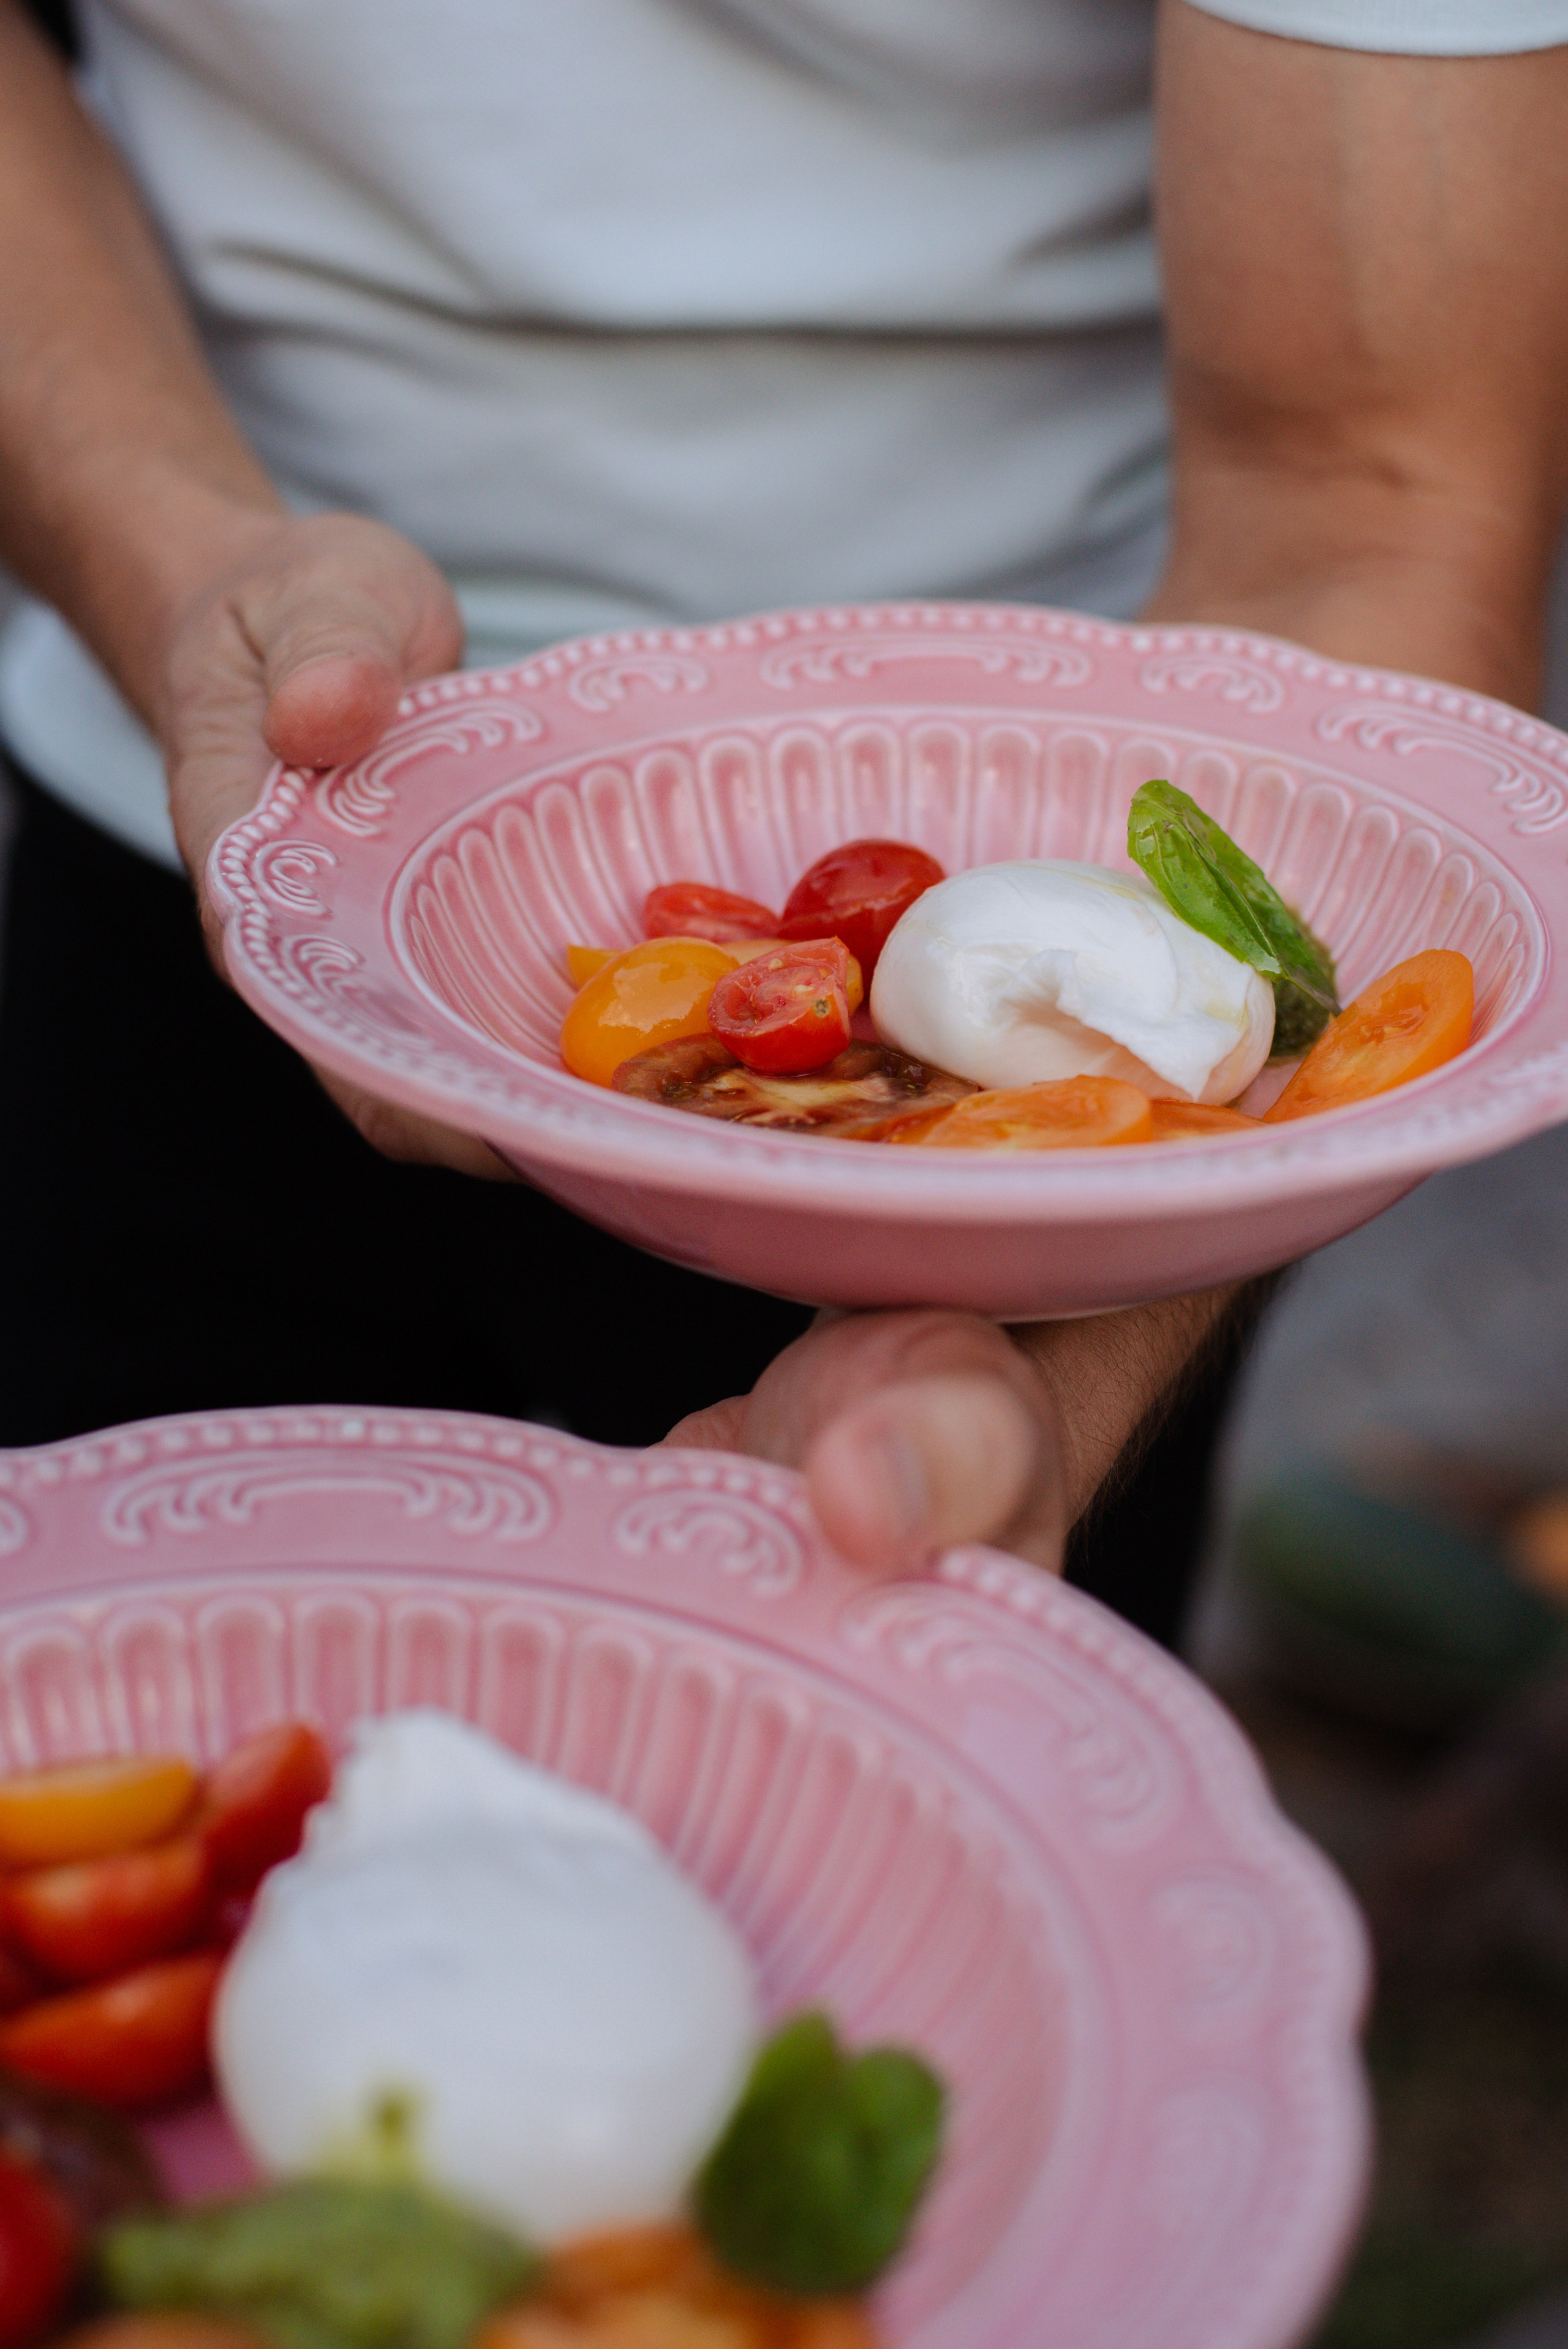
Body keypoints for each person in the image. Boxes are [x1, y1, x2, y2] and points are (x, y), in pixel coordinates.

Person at [0, 0, 1566, 1628]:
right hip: (213, 824)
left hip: (1101, 816)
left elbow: (1369, 491)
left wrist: (1050, 1348)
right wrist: (175, 560)